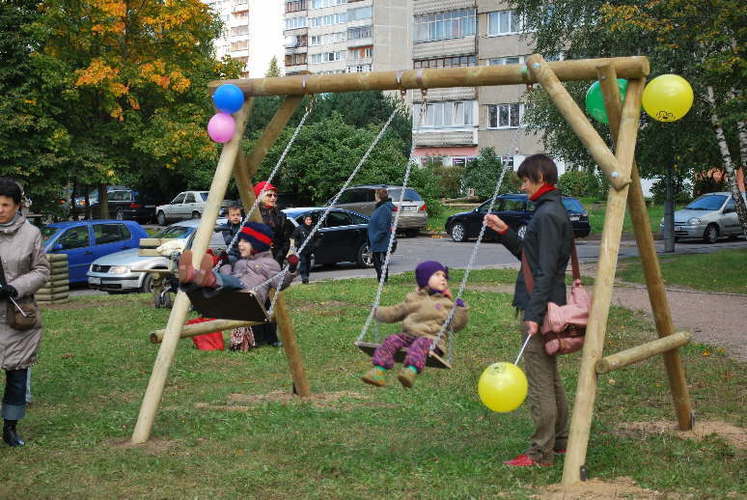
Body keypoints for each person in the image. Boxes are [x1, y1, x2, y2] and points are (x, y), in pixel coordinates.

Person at [484, 154, 572, 468]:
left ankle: (540, 453)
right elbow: (530, 257)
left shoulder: (547, 215)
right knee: (551, 377)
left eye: (524, 180)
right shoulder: (551, 210)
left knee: (539, 381)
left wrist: (533, 316)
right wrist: (504, 231)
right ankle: (561, 442)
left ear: (538, 177)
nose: (522, 186)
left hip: (541, 303)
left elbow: (546, 271)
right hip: (548, 301)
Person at [361, 261, 468, 388]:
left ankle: (410, 371)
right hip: (409, 337)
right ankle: (378, 370)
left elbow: (455, 325)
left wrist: (460, 310)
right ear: (424, 279)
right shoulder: (413, 299)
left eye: (444, 276)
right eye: (437, 275)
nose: (443, 278)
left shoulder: (446, 303)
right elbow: (396, 312)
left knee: (421, 343)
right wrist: (378, 312)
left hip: (432, 342)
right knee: (392, 339)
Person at [0, 178, 50, 447]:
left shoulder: (31, 234)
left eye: (5, 205)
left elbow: (41, 271)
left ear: (17, 206)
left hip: (17, 314)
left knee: (17, 375)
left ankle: (10, 426)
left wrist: (15, 287)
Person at [178, 221, 297, 307]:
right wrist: (225, 264)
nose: (240, 244)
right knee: (215, 285)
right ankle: (190, 280)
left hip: (250, 296)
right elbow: (229, 276)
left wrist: (291, 269)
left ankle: (205, 277)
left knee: (233, 282)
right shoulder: (241, 262)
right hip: (231, 293)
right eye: (240, 240)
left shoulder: (269, 263)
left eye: (245, 241)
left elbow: (279, 283)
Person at [253, 181, 295, 346]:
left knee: (274, 299)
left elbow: (285, 240)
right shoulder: (252, 213)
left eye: (275, 195)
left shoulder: (281, 216)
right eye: (269, 194)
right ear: (259, 196)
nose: (273, 197)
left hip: (275, 261)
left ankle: (272, 337)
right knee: (258, 299)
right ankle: (258, 337)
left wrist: (279, 256)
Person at [367, 188, 394, 283]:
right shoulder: (380, 207)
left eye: (375, 195)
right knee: (378, 262)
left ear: (378, 196)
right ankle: (382, 279)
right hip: (377, 240)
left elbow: (383, 226)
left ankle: (383, 280)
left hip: (380, 240)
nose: (374, 197)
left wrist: (375, 238)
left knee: (380, 262)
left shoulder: (384, 208)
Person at [291, 215, 316, 284]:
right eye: (307, 220)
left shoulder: (313, 228)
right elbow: (293, 237)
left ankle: (307, 276)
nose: (309, 221)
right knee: (303, 262)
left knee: (308, 263)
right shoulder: (299, 229)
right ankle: (304, 277)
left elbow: (318, 237)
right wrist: (297, 244)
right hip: (302, 249)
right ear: (304, 221)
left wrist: (315, 245)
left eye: (310, 220)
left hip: (310, 249)